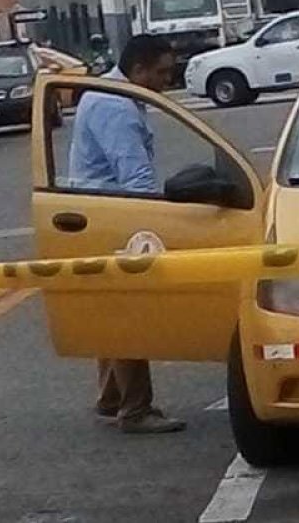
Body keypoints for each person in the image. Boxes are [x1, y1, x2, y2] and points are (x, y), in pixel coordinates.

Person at [69, 34, 186, 434]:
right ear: (137, 70)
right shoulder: (116, 107)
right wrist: (153, 225)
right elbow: (134, 175)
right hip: (113, 215)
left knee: (111, 310)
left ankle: (112, 397)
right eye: (162, 72)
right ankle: (135, 408)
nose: (167, 81)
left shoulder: (108, 94)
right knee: (128, 313)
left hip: (96, 212)